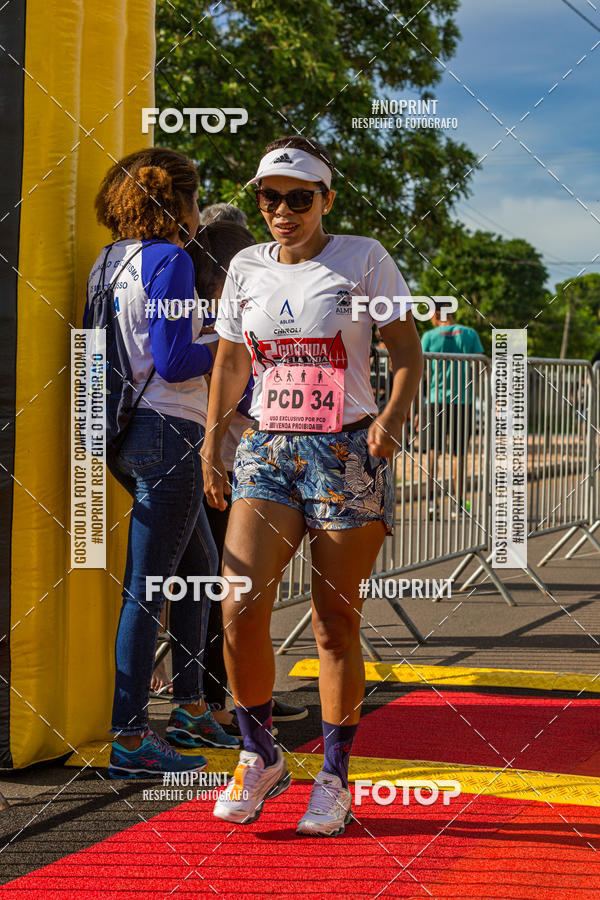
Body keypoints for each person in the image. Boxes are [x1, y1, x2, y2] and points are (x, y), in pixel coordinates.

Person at [201, 136, 423, 836]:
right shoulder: (244, 266)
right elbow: (232, 360)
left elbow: (408, 353)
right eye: (270, 197)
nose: (283, 210)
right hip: (266, 449)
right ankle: (260, 752)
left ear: (327, 199)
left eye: (300, 198)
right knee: (237, 607)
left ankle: (332, 775)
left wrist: (390, 418)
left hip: (345, 451)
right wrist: (213, 440)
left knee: (335, 625)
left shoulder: (362, 258)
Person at [87, 147, 238, 779]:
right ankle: (129, 738)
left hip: (124, 430)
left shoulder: (107, 261)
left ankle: (191, 707)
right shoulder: (172, 258)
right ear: (181, 202)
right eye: (197, 197)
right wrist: (232, 349)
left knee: (200, 570)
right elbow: (176, 361)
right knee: (149, 590)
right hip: (169, 430)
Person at [187, 221, 309, 737]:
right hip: (226, 464)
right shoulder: (214, 319)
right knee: (227, 590)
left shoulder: (229, 316)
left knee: (238, 592)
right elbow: (235, 386)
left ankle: (239, 695)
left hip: (244, 463)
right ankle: (218, 699)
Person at [417, 303, 483, 517]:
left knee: (432, 453)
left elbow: (418, 370)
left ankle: (431, 503)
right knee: (459, 455)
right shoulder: (470, 334)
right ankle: (459, 504)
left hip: (435, 400)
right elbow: (482, 366)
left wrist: (417, 407)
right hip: (463, 401)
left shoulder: (429, 337)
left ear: (436, 314)